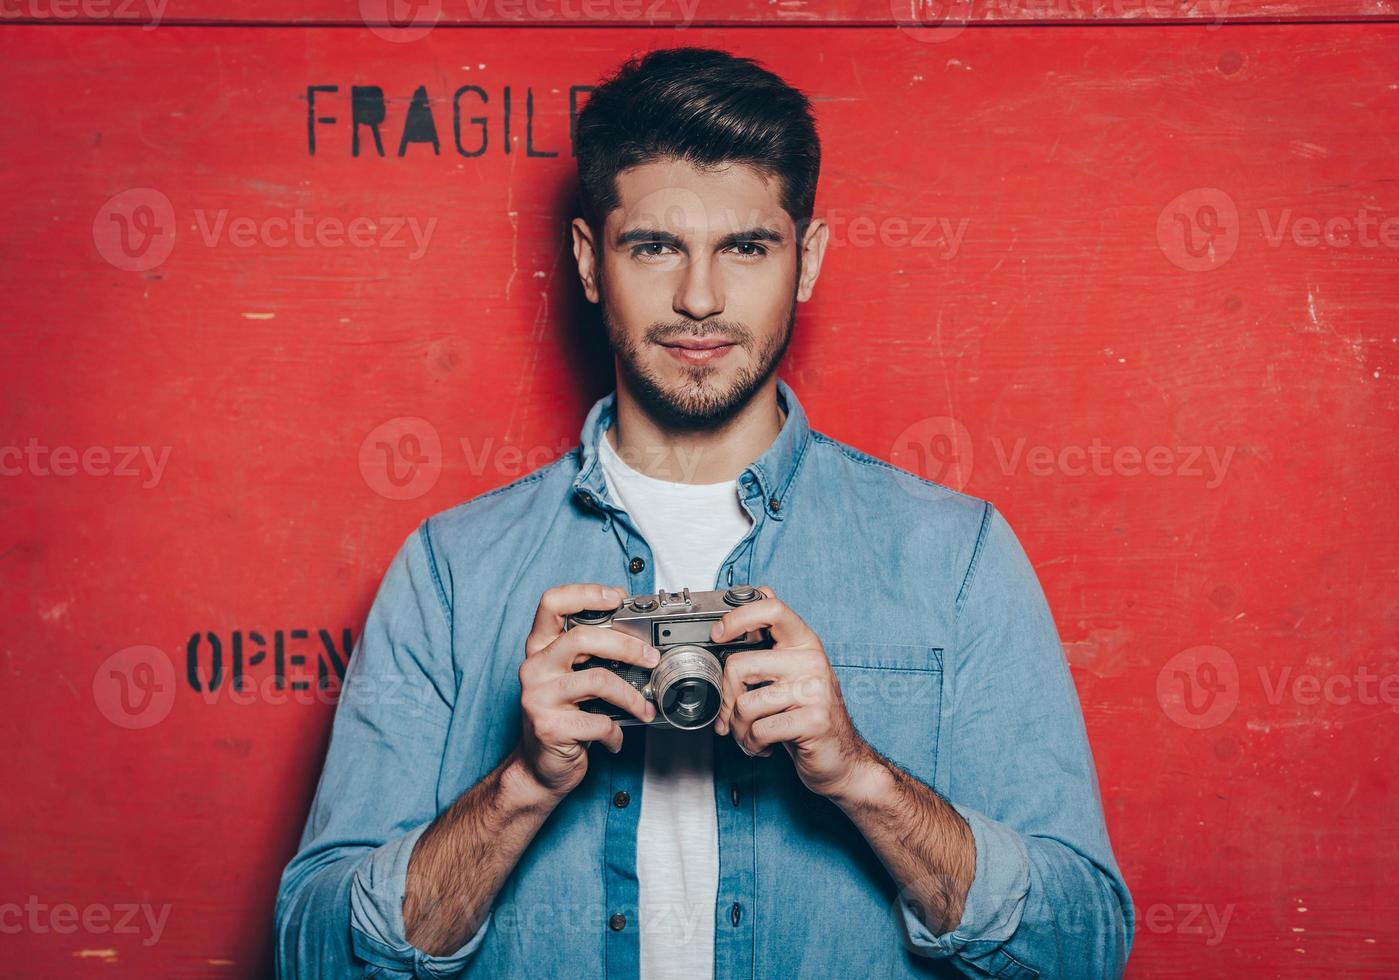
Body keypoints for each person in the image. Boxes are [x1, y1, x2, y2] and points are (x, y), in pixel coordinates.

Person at [275, 46, 1133, 979]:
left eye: (745, 247)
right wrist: (523, 783)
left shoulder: (951, 556)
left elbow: (1080, 946)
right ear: (588, 262)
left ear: (805, 262)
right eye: (654, 246)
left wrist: (857, 776)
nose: (699, 299)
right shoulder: (451, 569)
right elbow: (315, 957)